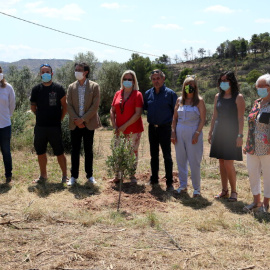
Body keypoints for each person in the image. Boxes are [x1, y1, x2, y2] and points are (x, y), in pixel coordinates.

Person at [208, 71, 245, 201]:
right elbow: (214, 116)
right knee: (221, 162)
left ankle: (234, 191)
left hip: (232, 133)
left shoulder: (238, 97)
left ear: (232, 82)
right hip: (219, 132)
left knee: (229, 163)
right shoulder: (217, 96)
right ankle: (224, 190)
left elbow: (241, 118)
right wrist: (210, 131)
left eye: (226, 80)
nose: (223, 82)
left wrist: (240, 135)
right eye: (221, 80)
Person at [30, 64, 68, 184]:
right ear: (40, 74)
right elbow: (33, 107)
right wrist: (40, 116)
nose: (45, 73)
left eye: (47, 71)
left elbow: (65, 106)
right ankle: (43, 176)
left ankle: (65, 176)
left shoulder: (58, 88)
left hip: (54, 127)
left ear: (52, 73)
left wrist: (59, 119)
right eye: (43, 72)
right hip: (40, 127)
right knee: (40, 152)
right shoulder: (36, 89)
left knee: (59, 152)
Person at [66, 62, 101, 186]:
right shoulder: (71, 87)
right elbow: (68, 105)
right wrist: (77, 120)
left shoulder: (94, 86)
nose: (77, 72)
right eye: (75, 69)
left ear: (86, 72)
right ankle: (73, 176)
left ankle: (89, 175)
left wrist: (83, 120)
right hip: (75, 124)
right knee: (75, 150)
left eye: (79, 70)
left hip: (89, 123)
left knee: (88, 150)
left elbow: (95, 106)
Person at [171, 75, 206, 197]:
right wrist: (173, 132)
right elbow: (174, 118)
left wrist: (197, 133)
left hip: (193, 132)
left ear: (195, 87)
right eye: (187, 85)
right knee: (181, 159)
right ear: (183, 87)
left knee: (194, 161)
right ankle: (183, 185)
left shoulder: (199, 101)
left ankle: (196, 188)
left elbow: (202, 119)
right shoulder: (179, 100)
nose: (189, 87)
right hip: (180, 131)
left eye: (191, 85)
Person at [144, 69, 177, 191]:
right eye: (153, 79)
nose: (156, 81)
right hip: (152, 128)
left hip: (165, 128)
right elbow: (145, 108)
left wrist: (174, 130)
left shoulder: (170, 94)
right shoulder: (148, 94)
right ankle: (154, 180)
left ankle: (169, 182)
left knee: (167, 155)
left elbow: (176, 113)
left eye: (158, 78)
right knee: (153, 155)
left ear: (163, 79)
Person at [110, 70, 144, 183]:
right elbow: (112, 110)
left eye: (130, 79)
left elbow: (138, 113)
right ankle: (118, 176)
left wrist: (124, 126)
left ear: (134, 81)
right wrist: (114, 125)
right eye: (125, 79)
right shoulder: (117, 93)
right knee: (118, 151)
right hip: (119, 130)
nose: (127, 81)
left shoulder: (138, 95)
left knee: (132, 152)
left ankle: (131, 175)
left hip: (133, 129)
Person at [243, 74, 270, 213]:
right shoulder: (257, 102)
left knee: (268, 175)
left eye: (262, 86)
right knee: (253, 174)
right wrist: (247, 143)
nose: (259, 89)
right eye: (257, 87)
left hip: (267, 147)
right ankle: (256, 201)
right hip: (252, 146)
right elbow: (251, 124)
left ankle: (266, 204)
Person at [0, 66, 15, 184]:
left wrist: (6, 116)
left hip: (5, 125)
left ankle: (8, 175)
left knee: (6, 151)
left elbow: (12, 105)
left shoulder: (8, 88)